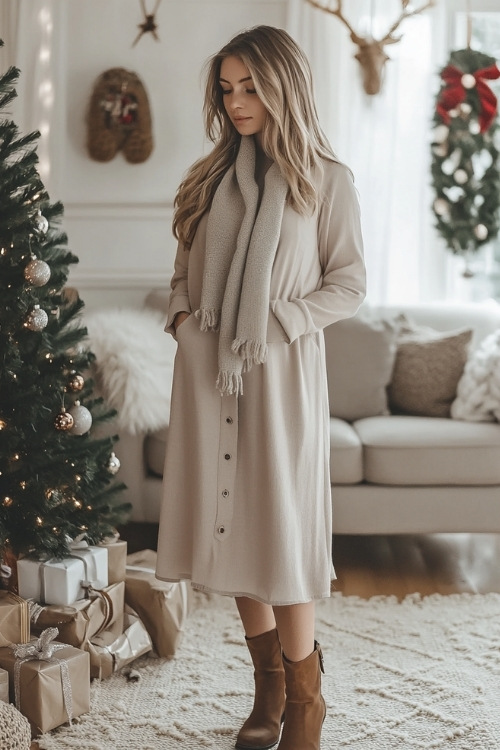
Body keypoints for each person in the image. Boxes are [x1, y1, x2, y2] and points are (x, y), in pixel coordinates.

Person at [156, 24, 366, 750]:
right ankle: (268, 692)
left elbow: (349, 283)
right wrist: (183, 320)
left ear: (284, 86)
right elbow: (182, 273)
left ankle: (307, 703)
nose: (236, 101)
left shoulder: (326, 180)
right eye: (227, 88)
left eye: (249, 86)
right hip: (210, 376)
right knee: (237, 525)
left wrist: (283, 319)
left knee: (284, 531)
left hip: (283, 376)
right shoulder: (209, 177)